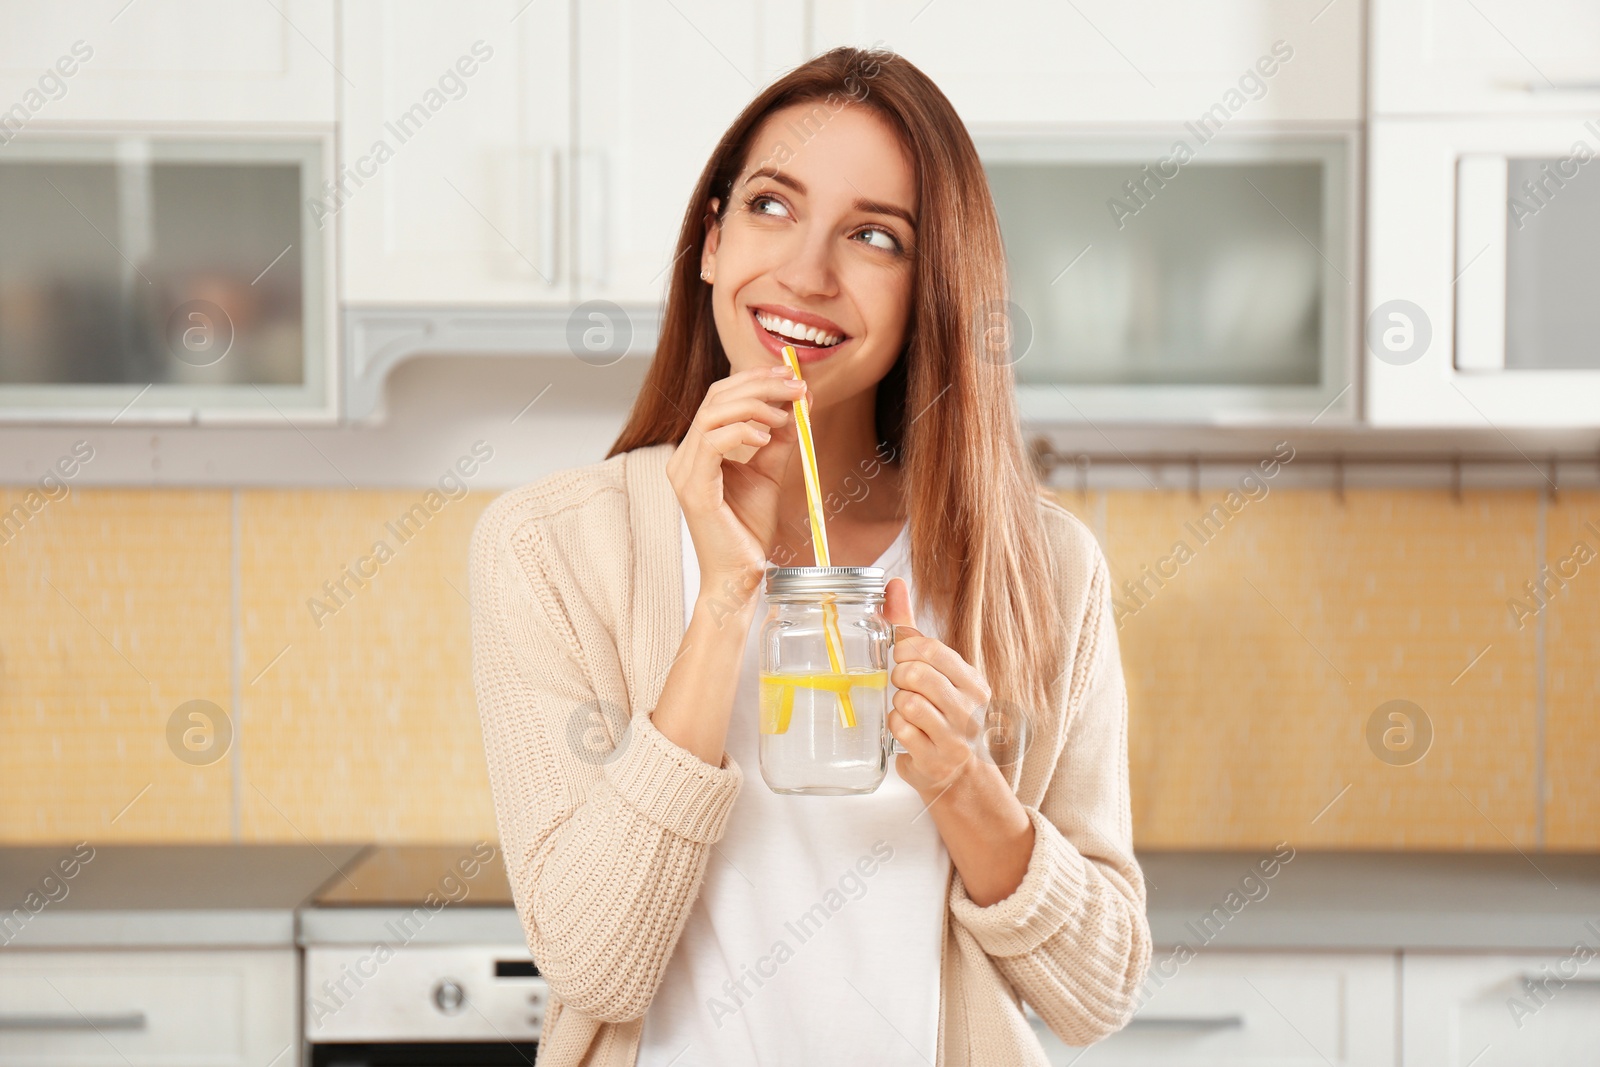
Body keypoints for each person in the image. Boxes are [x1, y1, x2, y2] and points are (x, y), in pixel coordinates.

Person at [469, 45, 1150, 1067]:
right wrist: (723, 606)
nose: (805, 272)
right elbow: (593, 966)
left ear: (932, 287)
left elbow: (1098, 990)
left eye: (874, 236)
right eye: (771, 207)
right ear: (711, 239)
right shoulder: (550, 549)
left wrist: (964, 782)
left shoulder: (1045, 566)